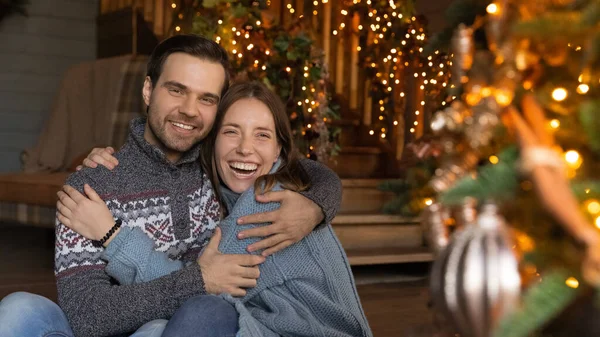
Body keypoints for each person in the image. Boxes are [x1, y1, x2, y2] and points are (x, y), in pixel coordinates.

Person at [0, 35, 342, 337]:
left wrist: (316, 204)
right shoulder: (92, 185)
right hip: (101, 329)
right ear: (148, 90)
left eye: (206, 99)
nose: (189, 110)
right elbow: (87, 317)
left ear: (216, 111)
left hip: (168, 328)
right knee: (18, 309)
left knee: (159, 328)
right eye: (176, 90)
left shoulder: (218, 176)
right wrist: (199, 280)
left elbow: (296, 164)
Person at [58, 80, 373, 337]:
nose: (245, 148)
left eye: (261, 135)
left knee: (200, 313)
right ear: (212, 140)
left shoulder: (266, 203)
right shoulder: (227, 193)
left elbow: (187, 286)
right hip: (270, 326)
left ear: (279, 148)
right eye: (231, 131)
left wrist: (111, 234)